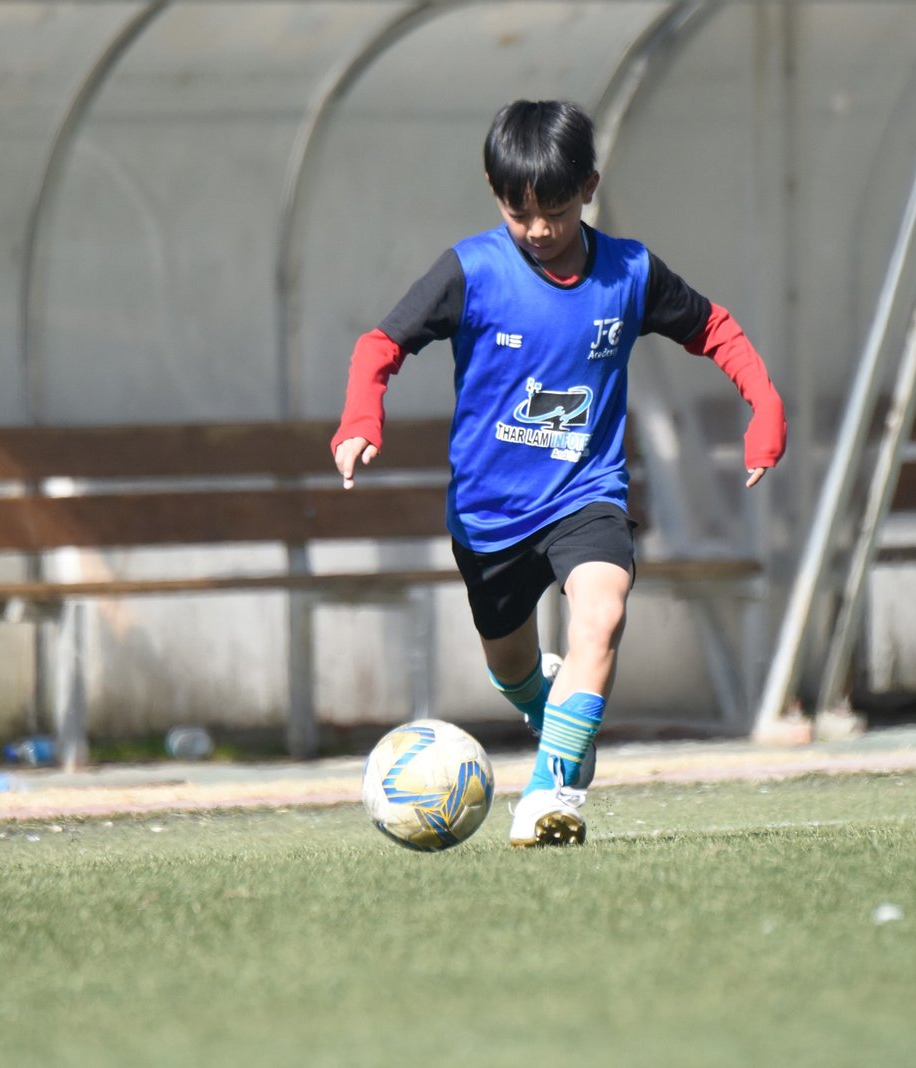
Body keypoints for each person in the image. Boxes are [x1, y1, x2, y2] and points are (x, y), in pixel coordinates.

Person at [332, 100, 786, 846]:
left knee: (602, 615)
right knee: (511, 669)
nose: (540, 229)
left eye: (558, 210)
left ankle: (552, 795)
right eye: (520, 213)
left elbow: (714, 329)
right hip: (488, 517)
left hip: (586, 494)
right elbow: (380, 346)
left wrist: (764, 405)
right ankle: (549, 708)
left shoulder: (629, 272)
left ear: (589, 188)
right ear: (495, 192)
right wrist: (360, 420)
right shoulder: (472, 270)